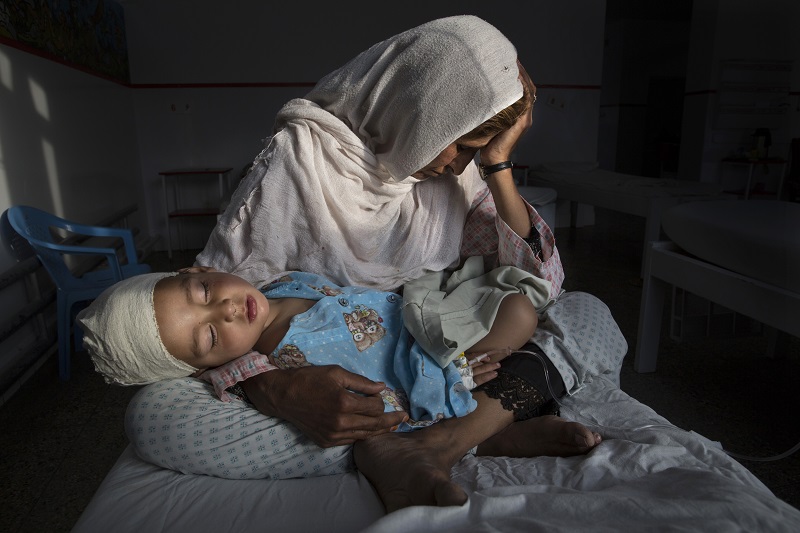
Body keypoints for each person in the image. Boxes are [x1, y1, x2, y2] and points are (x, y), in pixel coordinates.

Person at [125, 15, 627, 512]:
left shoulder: (458, 176)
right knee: (155, 417)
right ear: (418, 109)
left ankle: (433, 443)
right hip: (341, 381)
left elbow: (541, 281)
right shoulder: (299, 160)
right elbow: (225, 308)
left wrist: (495, 166)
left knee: (587, 314)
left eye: (473, 152)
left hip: (444, 350)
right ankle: (489, 428)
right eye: (461, 145)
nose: (456, 164)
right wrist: (280, 389)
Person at [77, 263, 549, 430]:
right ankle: (493, 435)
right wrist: (450, 375)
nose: (223, 309)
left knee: (509, 288)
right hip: (430, 353)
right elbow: (385, 391)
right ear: (210, 364)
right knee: (520, 313)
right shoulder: (289, 354)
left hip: (420, 309)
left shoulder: (280, 285)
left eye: (202, 292)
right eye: (210, 337)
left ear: (193, 270)